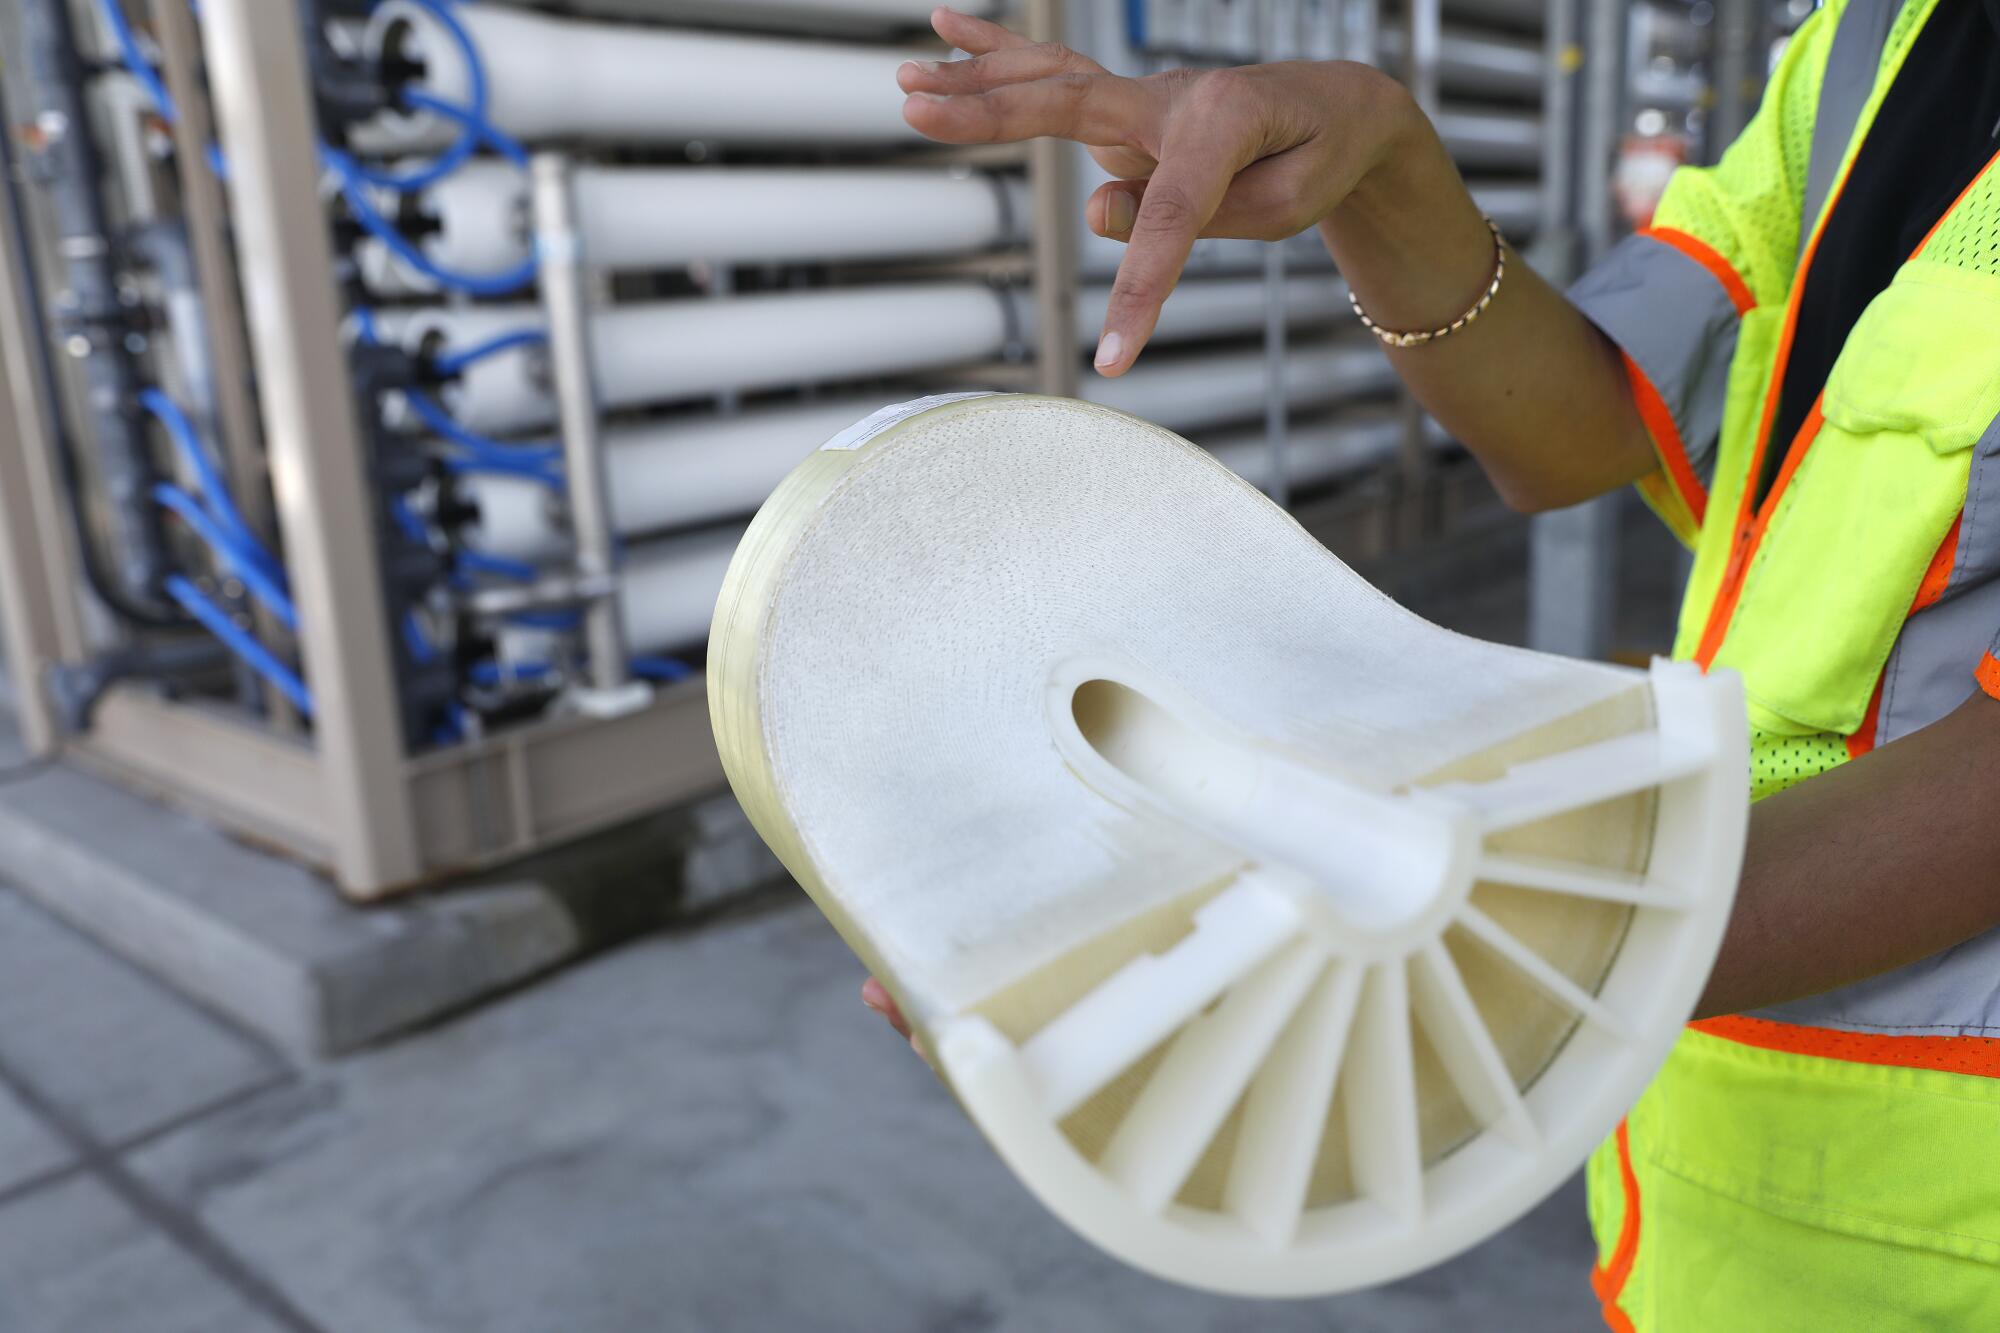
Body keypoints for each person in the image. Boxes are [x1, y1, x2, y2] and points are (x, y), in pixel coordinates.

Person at [860, 4, 2000, 1327]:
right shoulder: (1875, 47)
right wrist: (1385, 164)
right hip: (1720, 1192)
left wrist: (1419, 950)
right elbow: (1578, 429)